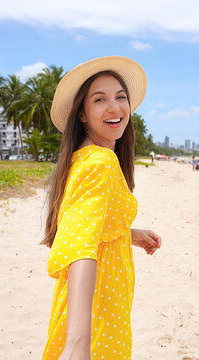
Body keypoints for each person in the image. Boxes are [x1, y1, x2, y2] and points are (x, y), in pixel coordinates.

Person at [41, 56, 162, 360]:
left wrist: (129, 233)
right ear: (81, 114)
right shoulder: (100, 162)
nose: (115, 107)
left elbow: (83, 224)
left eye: (121, 97)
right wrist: (77, 343)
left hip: (102, 308)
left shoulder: (82, 158)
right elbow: (80, 246)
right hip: (98, 318)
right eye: (100, 99)